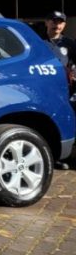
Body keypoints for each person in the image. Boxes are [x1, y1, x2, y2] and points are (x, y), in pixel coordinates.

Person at [45, 11, 76, 169]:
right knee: (46, 121)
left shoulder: (69, 43)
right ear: (47, 23)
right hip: (43, 89)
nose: (57, 25)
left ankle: (63, 155)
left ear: (64, 24)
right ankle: (50, 157)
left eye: (60, 22)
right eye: (53, 21)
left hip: (64, 89)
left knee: (63, 120)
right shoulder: (39, 42)